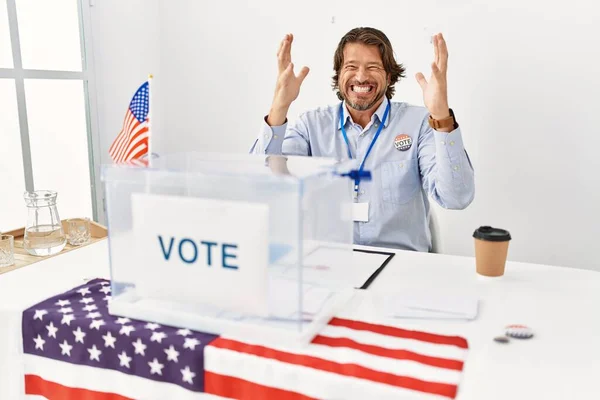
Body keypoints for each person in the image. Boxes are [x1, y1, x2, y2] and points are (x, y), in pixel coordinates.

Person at [250, 27, 474, 252]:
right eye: (351, 67)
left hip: (401, 266)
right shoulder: (311, 126)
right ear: (339, 75)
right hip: (329, 263)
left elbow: (456, 198)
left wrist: (441, 115)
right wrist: (279, 106)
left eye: (373, 67)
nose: (361, 76)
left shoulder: (419, 124)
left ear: (389, 76)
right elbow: (262, 189)